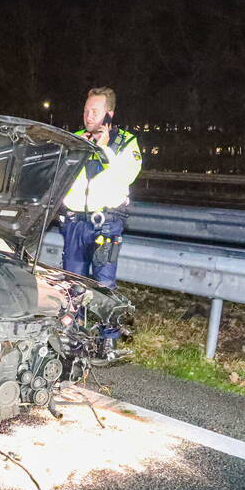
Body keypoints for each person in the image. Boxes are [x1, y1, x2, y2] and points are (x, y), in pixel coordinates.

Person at [60, 86, 141, 357]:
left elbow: (125, 176)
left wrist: (105, 149)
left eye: (95, 111)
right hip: (74, 223)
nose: (88, 115)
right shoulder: (75, 139)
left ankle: (108, 342)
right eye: (85, 110)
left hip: (105, 223)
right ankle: (73, 338)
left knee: (104, 284)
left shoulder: (125, 142)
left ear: (109, 113)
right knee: (73, 284)